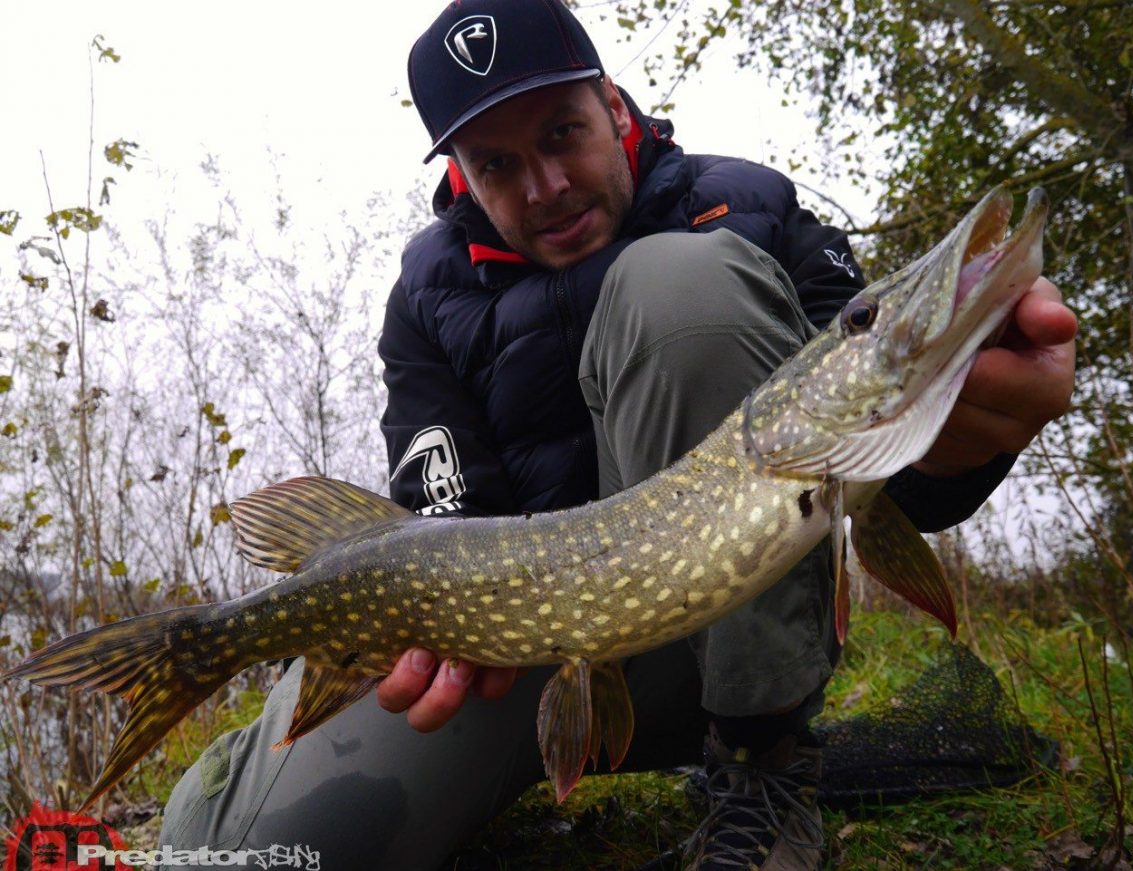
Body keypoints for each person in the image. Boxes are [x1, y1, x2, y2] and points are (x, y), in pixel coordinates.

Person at [157, 1, 1077, 868]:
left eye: (562, 132)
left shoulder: (749, 208)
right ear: (459, 176)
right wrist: (424, 635)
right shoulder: (427, 302)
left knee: (682, 287)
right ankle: (229, 760)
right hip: (522, 655)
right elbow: (445, 522)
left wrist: (964, 439)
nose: (546, 186)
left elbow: (901, 482)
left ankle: (760, 768)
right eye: (497, 164)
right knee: (252, 848)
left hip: (725, 647)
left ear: (611, 101)